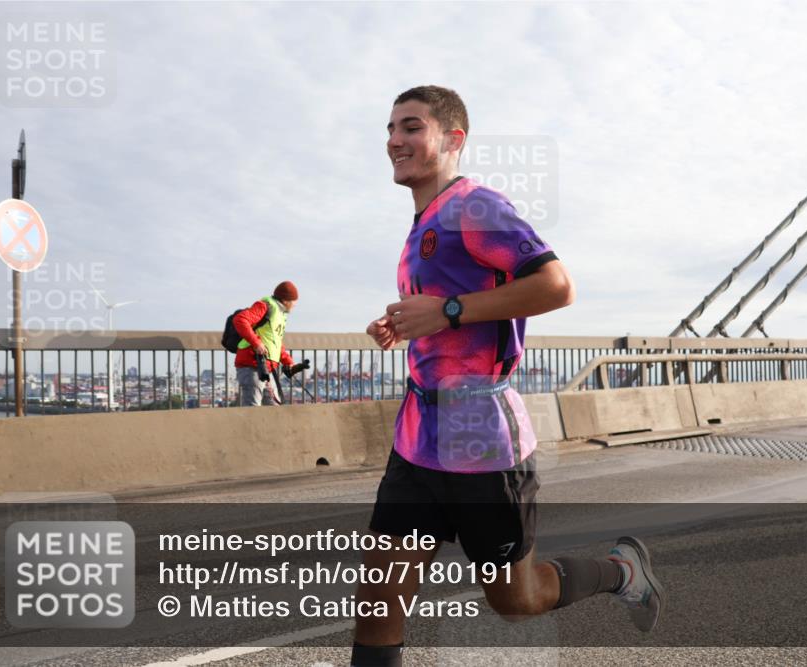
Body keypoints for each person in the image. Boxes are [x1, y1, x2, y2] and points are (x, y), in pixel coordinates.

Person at [351, 86, 664, 666]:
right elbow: (454, 309)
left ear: (452, 139)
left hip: (482, 444)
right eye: (390, 129)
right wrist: (408, 324)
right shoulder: (422, 224)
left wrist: (446, 311)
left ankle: (620, 572)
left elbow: (556, 285)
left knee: (517, 600)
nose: (395, 140)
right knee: (377, 603)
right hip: (418, 439)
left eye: (411, 127)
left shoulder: (474, 207)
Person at [232, 281, 308, 406]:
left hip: (266, 368)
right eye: (294, 301)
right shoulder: (266, 306)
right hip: (251, 365)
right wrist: (256, 343)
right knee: (252, 409)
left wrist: (288, 362)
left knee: (274, 409)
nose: (295, 305)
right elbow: (240, 320)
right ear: (285, 300)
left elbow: (275, 342)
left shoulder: (280, 314)